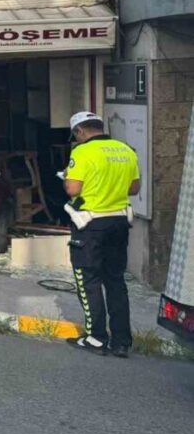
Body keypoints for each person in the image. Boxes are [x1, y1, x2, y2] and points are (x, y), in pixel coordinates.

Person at [62, 111, 140, 358]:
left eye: (75, 136)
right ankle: (121, 341)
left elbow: (73, 188)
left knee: (88, 279)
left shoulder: (82, 152)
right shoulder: (126, 150)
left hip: (90, 224)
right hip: (118, 222)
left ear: (80, 132)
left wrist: (67, 179)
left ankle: (96, 337)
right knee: (116, 280)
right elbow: (134, 187)